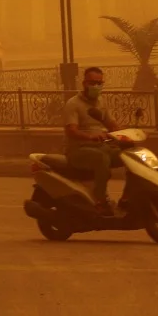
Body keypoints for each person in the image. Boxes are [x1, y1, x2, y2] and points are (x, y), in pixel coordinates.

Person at [64, 66, 123, 214]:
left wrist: (126, 135)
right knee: (102, 159)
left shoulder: (100, 102)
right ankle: (100, 200)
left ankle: (129, 198)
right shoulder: (73, 104)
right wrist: (90, 137)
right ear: (84, 83)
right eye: (92, 83)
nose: (96, 86)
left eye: (99, 83)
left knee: (129, 156)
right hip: (79, 150)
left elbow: (111, 124)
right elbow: (71, 130)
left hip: (101, 146)